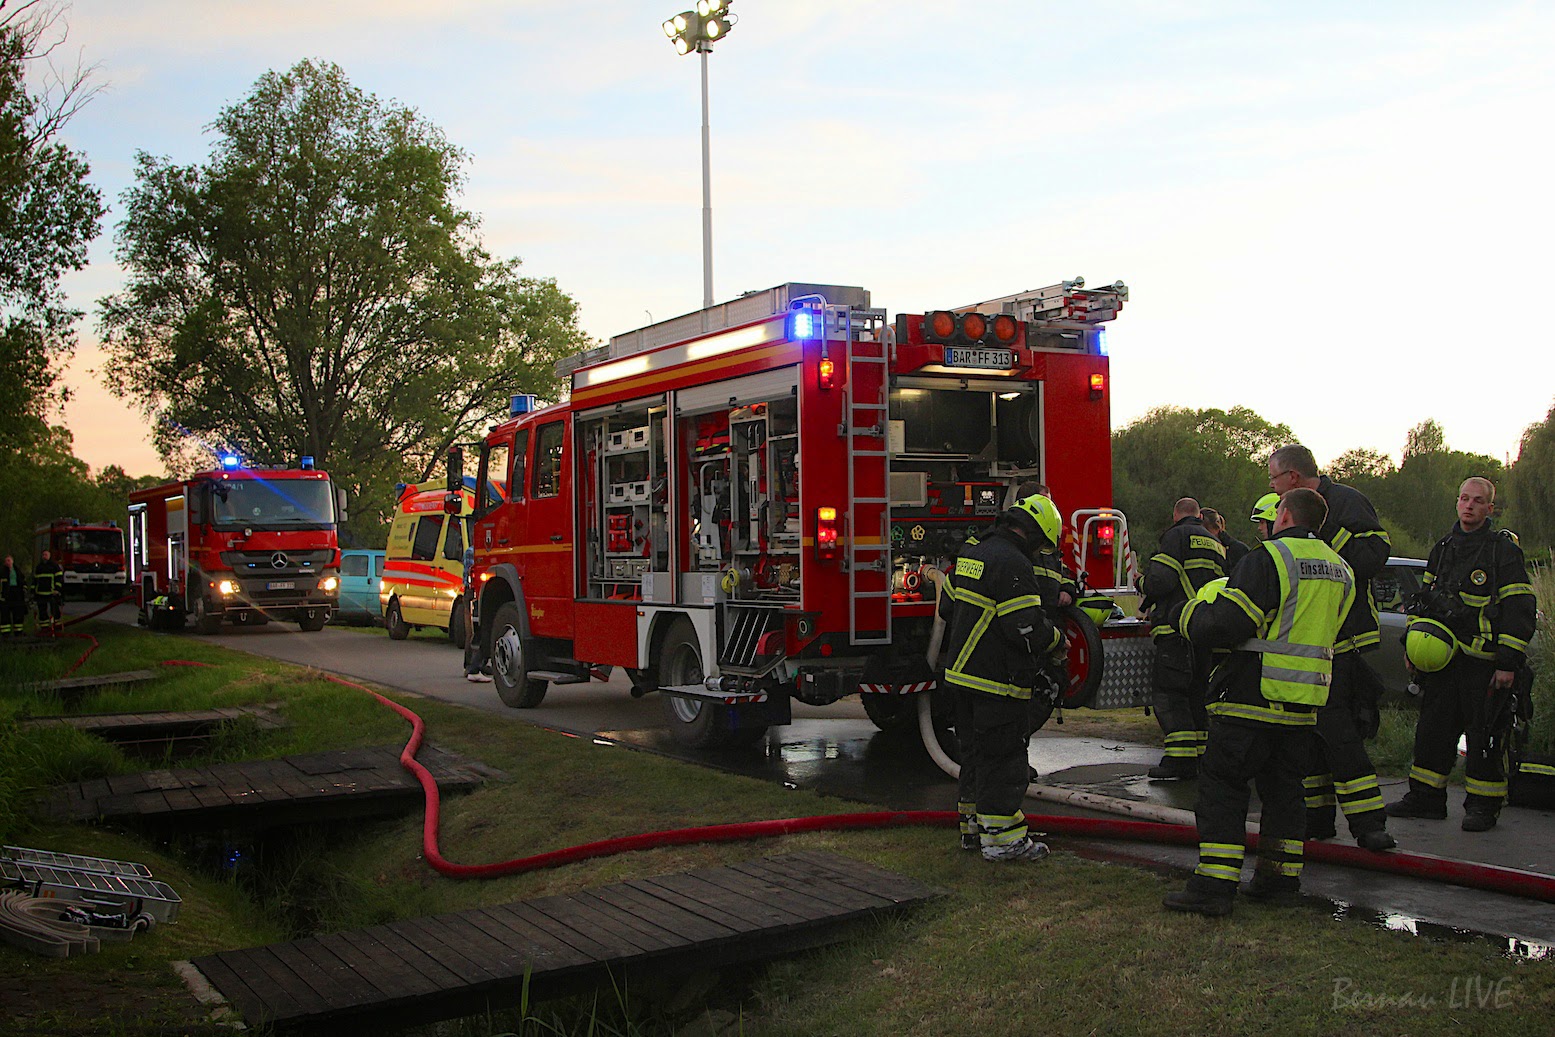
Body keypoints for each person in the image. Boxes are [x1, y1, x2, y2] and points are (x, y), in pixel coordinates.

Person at [1161, 488, 1356, 916]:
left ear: (1284, 515)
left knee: (1222, 790)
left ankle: (1214, 885)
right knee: (1285, 794)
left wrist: (1182, 614)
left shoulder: (1269, 559)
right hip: (1304, 704)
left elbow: (1228, 624)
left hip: (1251, 697)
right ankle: (1279, 880)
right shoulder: (1342, 569)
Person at [1386, 477, 1537, 832]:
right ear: (1457, 503)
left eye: (1478, 501)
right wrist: (1412, 644)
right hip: (1441, 661)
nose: (1469, 506)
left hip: (1483, 663)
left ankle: (1484, 806)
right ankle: (1425, 798)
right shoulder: (1443, 548)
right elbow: (1422, 601)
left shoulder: (1502, 552)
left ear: (1489, 508)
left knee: (1485, 735)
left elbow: (1519, 607)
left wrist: (1507, 662)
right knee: (1432, 731)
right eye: (1465, 499)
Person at [1269, 445, 1395, 850]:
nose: (1270, 489)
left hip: (1342, 641)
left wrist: (1320, 532)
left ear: (1291, 476)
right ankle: (1317, 819)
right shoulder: (1285, 511)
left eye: (1272, 479)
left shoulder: (1347, 502)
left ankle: (1369, 825)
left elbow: (1375, 555)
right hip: (1304, 644)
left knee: (1340, 737)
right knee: (1309, 739)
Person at [941, 493, 1062, 862]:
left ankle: (973, 833)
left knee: (974, 758)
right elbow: (1024, 627)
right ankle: (1004, 842)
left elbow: (947, 607)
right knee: (1004, 761)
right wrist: (1056, 640)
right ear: (1035, 535)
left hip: (961, 680)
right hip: (996, 683)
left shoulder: (972, 554)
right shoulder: (1013, 563)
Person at [1140, 497, 1227, 779]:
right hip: (1202, 629)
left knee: (1170, 693)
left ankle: (1179, 758)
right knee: (1196, 693)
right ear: (1200, 515)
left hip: (1174, 628)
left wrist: (1141, 582)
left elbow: (1161, 581)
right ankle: (1201, 756)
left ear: (1176, 514)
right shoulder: (1216, 543)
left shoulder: (1175, 536)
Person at [461, 546, 492, 682]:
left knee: (478, 631)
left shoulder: (474, 552)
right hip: (472, 593)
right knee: (472, 632)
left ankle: (479, 664)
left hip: (472, 592)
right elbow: (470, 572)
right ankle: (470, 666)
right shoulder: (472, 552)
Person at [32, 549, 63, 636]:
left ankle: (57, 626)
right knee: (42, 611)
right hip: (40, 593)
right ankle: (44, 628)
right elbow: (35, 580)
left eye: (46, 555)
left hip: (52, 593)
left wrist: (57, 589)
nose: (44, 557)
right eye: (43, 555)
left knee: (55, 610)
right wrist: (33, 591)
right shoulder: (39, 567)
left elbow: (59, 579)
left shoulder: (54, 566)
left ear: (49, 556)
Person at [1, 554, 26, 635]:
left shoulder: (17, 571)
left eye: (9, 560)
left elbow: (22, 581)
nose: (7, 562)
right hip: (6, 594)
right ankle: (5, 633)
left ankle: (18, 632)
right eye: (6, 561)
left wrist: (24, 590)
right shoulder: (2, 572)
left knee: (18, 613)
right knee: (5, 614)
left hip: (17, 593)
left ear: (12, 561)